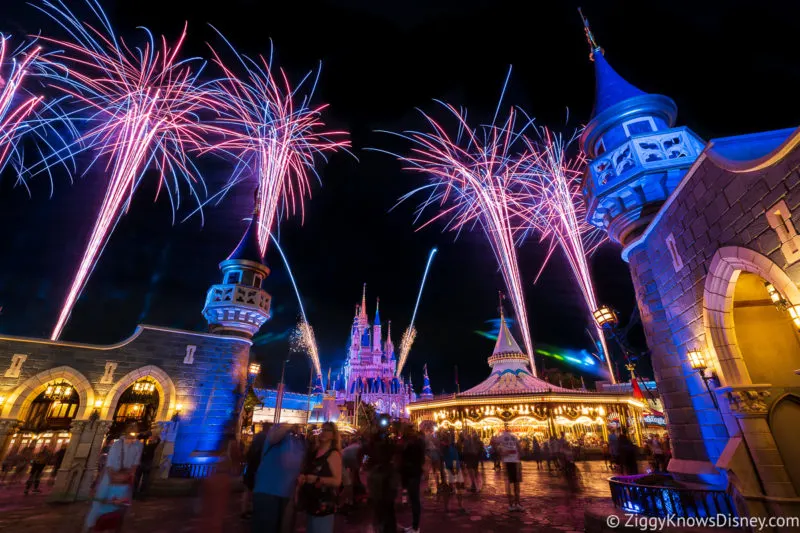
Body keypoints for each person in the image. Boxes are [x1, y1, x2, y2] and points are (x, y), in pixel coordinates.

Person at [84, 425, 143, 532]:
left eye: (135, 432)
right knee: (102, 499)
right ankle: (92, 525)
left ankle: (115, 525)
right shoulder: (117, 444)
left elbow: (135, 463)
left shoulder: (138, 445)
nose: (132, 434)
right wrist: (113, 478)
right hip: (111, 476)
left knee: (122, 503)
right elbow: (110, 463)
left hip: (126, 476)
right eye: (130, 432)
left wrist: (129, 476)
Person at [252, 423, 306, 533]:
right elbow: (274, 438)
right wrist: (288, 427)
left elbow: (296, 464)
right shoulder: (277, 436)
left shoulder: (298, 441)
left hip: (286, 493)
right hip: (268, 491)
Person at [299, 422, 342, 533]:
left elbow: (337, 481)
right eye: (322, 429)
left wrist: (318, 480)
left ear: (333, 435)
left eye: (328, 430)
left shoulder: (333, 455)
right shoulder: (314, 453)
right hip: (311, 502)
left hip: (324, 504)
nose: (323, 432)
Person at [400, 424, 425, 533]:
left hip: (413, 473)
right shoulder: (411, 443)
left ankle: (415, 527)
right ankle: (414, 526)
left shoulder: (415, 444)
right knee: (413, 499)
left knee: (414, 500)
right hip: (410, 472)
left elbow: (416, 458)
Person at [242, 426, 267, 519]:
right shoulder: (260, 451)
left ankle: (245, 510)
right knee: (253, 492)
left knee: (247, 491)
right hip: (255, 472)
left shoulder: (251, 449)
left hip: (249, 471)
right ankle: (250, 510)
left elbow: (247, 458)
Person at [496, 425, 522, 511]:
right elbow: (519, 447)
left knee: (510, 482)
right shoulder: (514, 436)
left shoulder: (502, 436)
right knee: (515, 482)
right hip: (514, 461)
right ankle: (516, 503)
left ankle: (512, 504)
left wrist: (501, 451)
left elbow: (493, 443)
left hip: (509, 461)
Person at [440, 431, 466, 514]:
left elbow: (456, 457)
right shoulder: (444, 448)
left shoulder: (453, 446)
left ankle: (459, 505)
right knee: (448, 488)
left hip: (454, 468)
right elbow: (449, 459)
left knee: (458, 488)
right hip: (450, 468)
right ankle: (447, 507)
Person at [134, 434, 161, 499]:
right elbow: (138, 439)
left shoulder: (152, 446)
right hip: (142, 463)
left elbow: (158, 441)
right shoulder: (142, 446)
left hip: (147, 463)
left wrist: (155, 437)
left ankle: (141, 494)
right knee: (137, 479)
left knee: (144, 480)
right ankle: (135, 494)